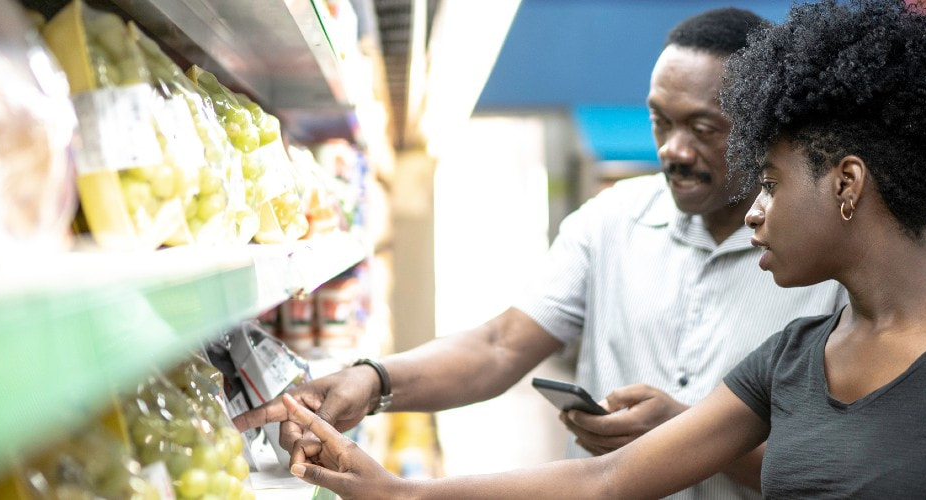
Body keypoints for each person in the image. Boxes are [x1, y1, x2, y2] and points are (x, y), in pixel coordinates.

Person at [263, 0, 926, 497]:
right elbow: (602, 485)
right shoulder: (793, 361)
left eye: (772, 182)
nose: (756, 210)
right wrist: (395, 491)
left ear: (847, 185)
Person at [233, 7, 846, 499]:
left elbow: (836, 464)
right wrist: (374, 380)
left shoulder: (824, 267)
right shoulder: (611, 221)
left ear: (763, 127)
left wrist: (685, 432)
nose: (673, 150)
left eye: (704, 129)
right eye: (660, 122)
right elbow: (500, 346)